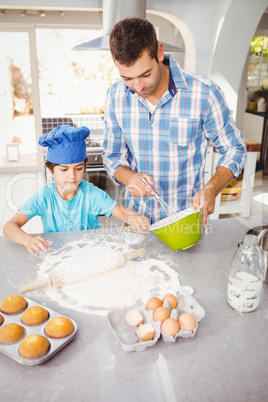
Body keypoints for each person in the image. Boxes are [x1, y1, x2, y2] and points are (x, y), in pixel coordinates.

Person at [103, 17, 247, 228]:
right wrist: (130, 178)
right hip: (137, 222)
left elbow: (234, 148)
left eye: (145, 74)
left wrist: (211, 189)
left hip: (185, 223)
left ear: (159, 53)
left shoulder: (204, 93)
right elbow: (112, 155)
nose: (138, 86)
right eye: (127, 78)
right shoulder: (115, 96)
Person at [3, 125, 149, 256]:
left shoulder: (91, 193)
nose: (72, 175)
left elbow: (121, 212)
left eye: (78, 168)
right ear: (51, 170)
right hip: (55, 256)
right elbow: (9, 226)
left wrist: (133, 217)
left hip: (90, 254)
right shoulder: (45, 197)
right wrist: (27, 240)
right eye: (64, 169)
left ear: (84, 166)